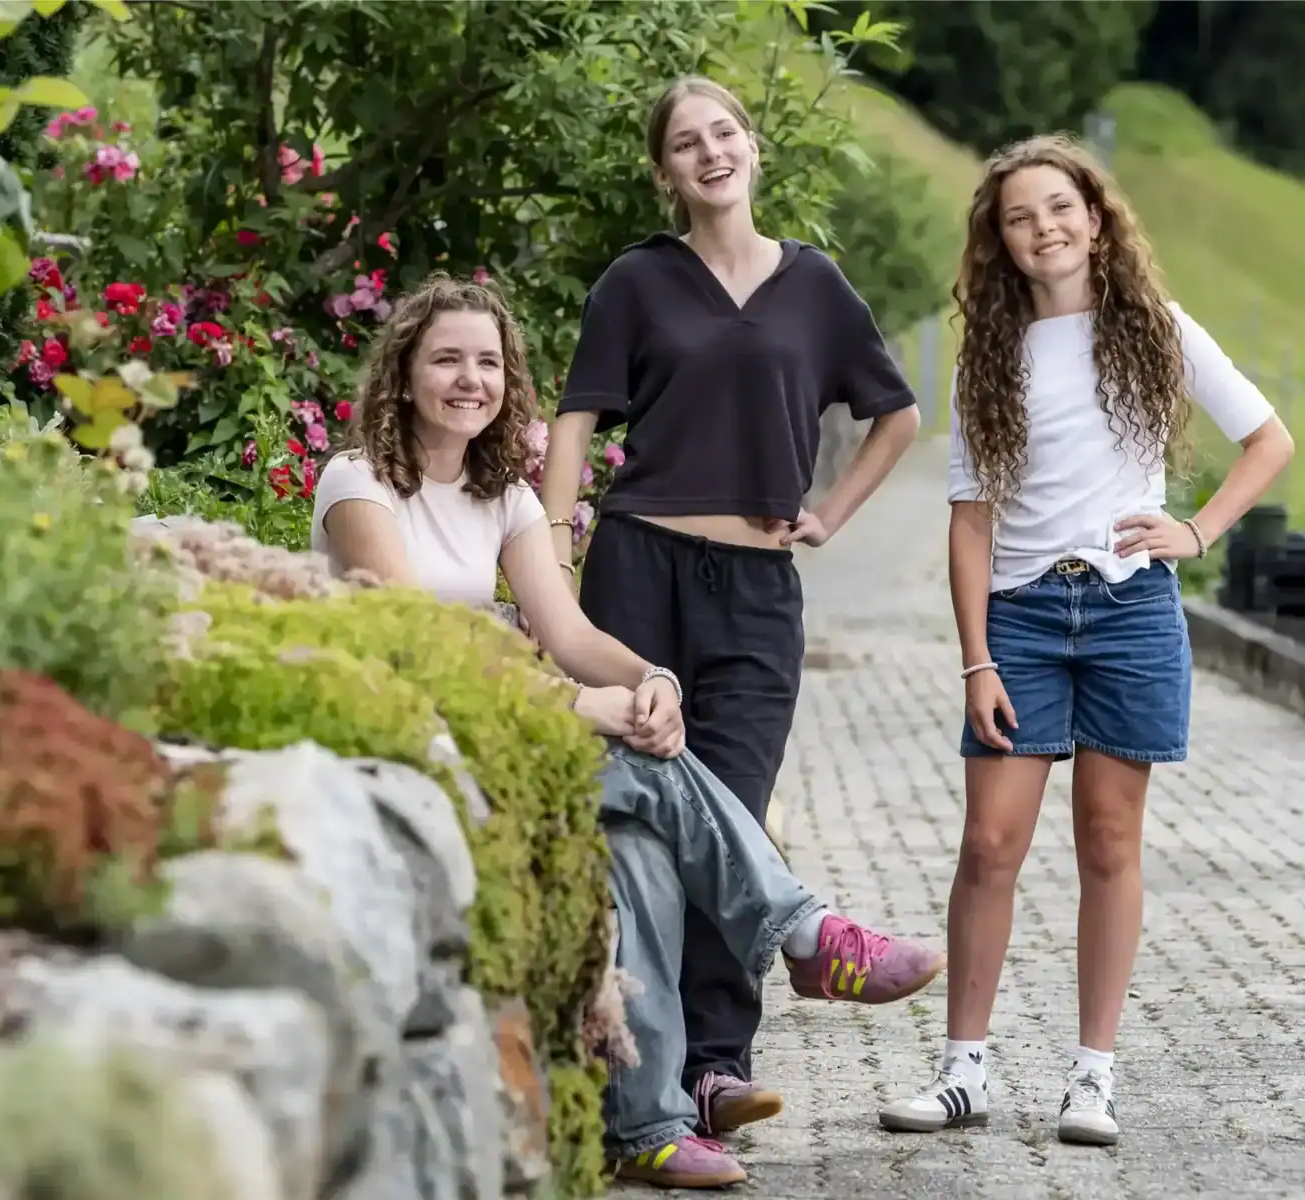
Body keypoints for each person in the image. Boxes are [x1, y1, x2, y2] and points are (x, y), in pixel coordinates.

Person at [312, 272, 945, 1189]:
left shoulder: (509, 498)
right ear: (404, 371)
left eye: (487, 362)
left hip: (491, 714)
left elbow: (564, 634)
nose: (468, 379)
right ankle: (804, 936)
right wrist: (580, 707)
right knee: (645, 771)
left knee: (643, 837)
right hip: (402, 722)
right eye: (445, 358)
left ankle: (647, 1125)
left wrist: (649, 680)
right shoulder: (358, 478)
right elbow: (417, 644)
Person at [875, 135, 1295, 1146]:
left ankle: (1090, 1079)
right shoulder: (989, 358)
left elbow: (1267, 440)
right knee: (988, 845)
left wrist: (1192, 531)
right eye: (1019, 217)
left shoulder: (1153, 329)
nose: (1042, 228)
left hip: (1128, 612)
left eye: (1058, 207)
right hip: (1019, 618)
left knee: (1108, 843)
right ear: (1000, 240)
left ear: (1095, 218)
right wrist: (974, 656)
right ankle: (962, 1071)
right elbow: (969, 521)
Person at [538, 74, 924, 1138]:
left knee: (733, 810)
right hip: (635, 569)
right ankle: (656, 1085)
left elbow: (895, 414)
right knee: (649, 825)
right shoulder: (635, 282)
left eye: (724, 134)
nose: (709, 152)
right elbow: (575, 423)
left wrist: (830, 516)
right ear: (664, 172)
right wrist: (550, 563)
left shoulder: (814, 287)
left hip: (757, 592)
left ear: (752, 150)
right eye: (685, 143)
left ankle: (717, 1070)